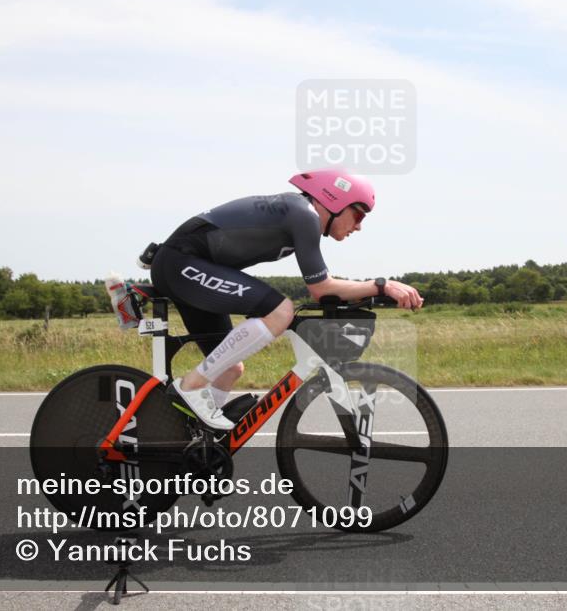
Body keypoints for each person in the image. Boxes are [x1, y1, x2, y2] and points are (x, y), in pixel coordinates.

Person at [147, 169, 424, 429]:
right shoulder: (303, 215)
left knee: (229, 368)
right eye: (359, 215)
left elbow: (324, 286)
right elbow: (321, 287)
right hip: (180, 263)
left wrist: (374, 290)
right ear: (335, 200)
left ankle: (193, 437)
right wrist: (381, 285)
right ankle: (191, 388)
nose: (359, 227)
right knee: (280, 312)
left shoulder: (298, 215)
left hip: (184, 265)